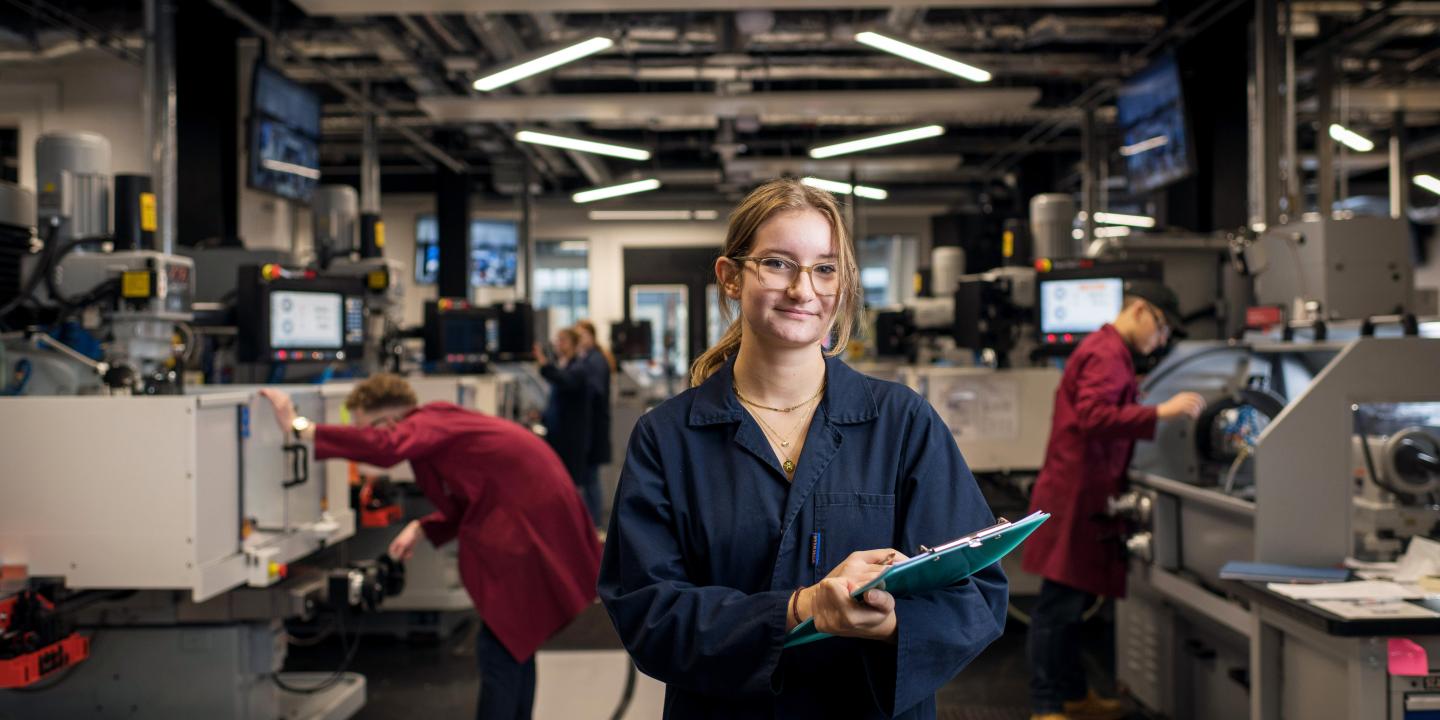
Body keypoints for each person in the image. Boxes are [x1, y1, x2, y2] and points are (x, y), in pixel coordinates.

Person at [597, 178, 1007, 719]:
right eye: (778, 264)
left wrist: (891, 620)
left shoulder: (902, 422)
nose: (803, 290)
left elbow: (976, 589)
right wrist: (801, 608)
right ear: (730, 277)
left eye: (825, 268)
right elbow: (648, 611)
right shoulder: (667, 437)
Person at [257, 375, 601, 720]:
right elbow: (469, 497)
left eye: (366, 428)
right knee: (516, 647)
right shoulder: (439, 420)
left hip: (523, 530)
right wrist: (421, 527)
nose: (366, 437)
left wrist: (300, 427)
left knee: (502, 649)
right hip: (534, 520)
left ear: (389, 421)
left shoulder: (424, 423)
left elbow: (387, 447)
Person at [1020, 281, 1206, 720]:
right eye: (1161, 329)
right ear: (1140, 310)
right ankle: (1047, 704)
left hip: (1086, 495)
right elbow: (1093, 416)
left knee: (1072, 606)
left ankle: (1073, 695)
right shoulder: (1105, 352)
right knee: (1056, 609)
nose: (1160, 340)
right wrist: (1163, 411)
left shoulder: (1113, 353)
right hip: (1074, 498)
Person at [533, 327, 593, 502]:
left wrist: (544, 363)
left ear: (573, 343)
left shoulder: (579, 368)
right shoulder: (564, 365)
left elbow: (564, 380)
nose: (559, 344)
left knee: (572, 485)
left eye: (563, 340)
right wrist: (543, 416)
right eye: (558, 340)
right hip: (558, 434)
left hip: (571, 437)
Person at [572, 319, 613, 526]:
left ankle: (594, 526)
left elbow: (594, 391)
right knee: (589, 478)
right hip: (590, 427)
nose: (579, 341)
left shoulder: (594, 361)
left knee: (591, 480)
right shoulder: (589, 359)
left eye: (582, 336)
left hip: (593, 428)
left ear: (592, 336)